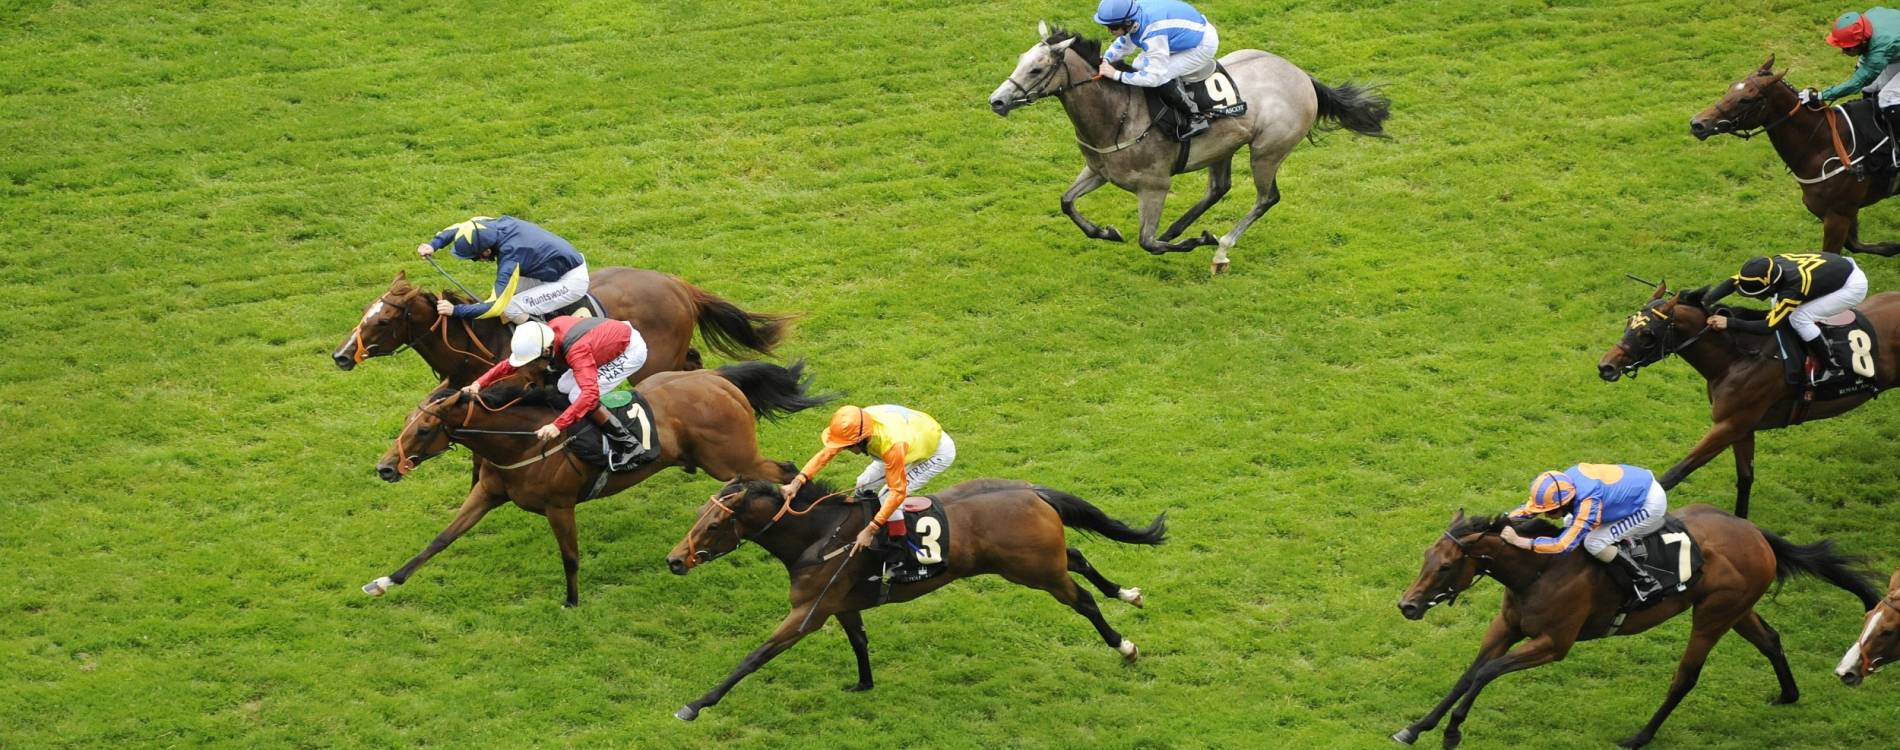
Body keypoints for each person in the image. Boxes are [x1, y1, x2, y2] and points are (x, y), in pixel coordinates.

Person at [462, 316, 648, 469]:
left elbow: (589, 394)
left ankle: (629, 444)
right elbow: (509, 364)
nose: (529, 367)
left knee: (578, 395)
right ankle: (580, 419)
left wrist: (557, 425)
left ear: (545, 351)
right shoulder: (544, 336)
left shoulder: (576, 351)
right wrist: (478, 383)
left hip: (629, 350)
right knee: (563, 387)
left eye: (533, 362)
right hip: (604, 340)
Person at [782, 405, 956, 551]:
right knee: (863, 484)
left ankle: (898, 548)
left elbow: (897, 492)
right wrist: (796, 483)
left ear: (861, 440)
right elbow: (825, 454)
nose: (844, 449)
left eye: (847, 447)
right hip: (907, 439)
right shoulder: (858, 426)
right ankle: (866, 522)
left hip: (935, 452)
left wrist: (871, 530)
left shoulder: (891, 444)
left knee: (886, 496)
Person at [1500, 464, 1667, 603]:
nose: (1545, 515)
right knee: (1569, 523)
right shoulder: (1561, 485)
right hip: (1631, 488)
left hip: (1648, 503)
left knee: (1593, 542)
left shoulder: (1588, 503)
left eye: (1550, 512)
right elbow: (1531, 509)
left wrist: (1522, 542)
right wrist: (1502, 521)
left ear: (1564, 503)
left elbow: (1563, 544)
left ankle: (1645, 581)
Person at [1704, 252, 1868, 384]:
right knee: (1778, 304)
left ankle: (1832, 366)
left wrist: (1729, 323)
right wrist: (1706, 300)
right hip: (1833, 267)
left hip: (1851, 285)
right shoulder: (1768, 266)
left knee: (1799, 317)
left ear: (1770, 284)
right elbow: (1734, 281)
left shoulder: (1793, 289)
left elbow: (1770, 325)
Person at [415, 215, 590, 325]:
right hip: (551, 268)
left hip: (570, 280)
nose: (478, 261)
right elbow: (460, 227)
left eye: (476, 257)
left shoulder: (511, 257)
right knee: (510, 299)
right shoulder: (493, 225)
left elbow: (496, 306)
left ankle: (550, 343)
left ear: (486, 251)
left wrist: (456, 310)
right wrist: (434, 245)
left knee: (511, 307)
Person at [1092, 0, 1221, 139]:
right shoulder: (1135, 15)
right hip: (1179, 34)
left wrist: (1116, 74)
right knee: (1137, 65)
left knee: (1162, 76)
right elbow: (1125, 43)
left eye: (1113, 27)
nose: (1110, 31)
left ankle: (1196, 117)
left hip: (1200, 45)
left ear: (1128, 22)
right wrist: (1106, 59)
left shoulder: (1153, 33)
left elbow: (1153, 78)